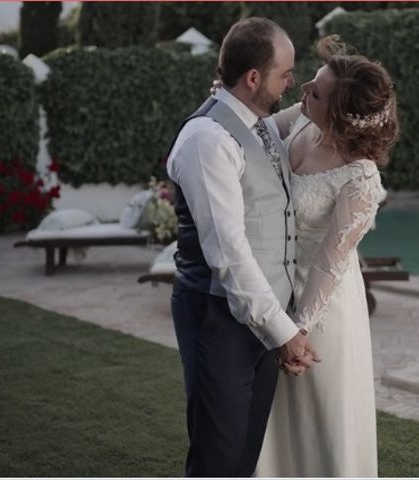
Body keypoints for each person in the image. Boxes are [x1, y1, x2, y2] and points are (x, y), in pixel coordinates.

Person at [166, 18, 319, 477]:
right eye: (285, 74)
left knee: (245, 455)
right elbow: (229, 254)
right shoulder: (207, 140)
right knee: (218, 457)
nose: (292, 82)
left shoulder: (263, 126)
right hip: (216, 317)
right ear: (253, 78)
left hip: (258, 317)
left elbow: (313, 107)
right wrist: (286, 333)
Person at [255, 35, 400, 477]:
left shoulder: (360, 180)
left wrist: (296, 332)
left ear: (338, 115)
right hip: (275, 288)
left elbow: (329, 265)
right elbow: (253, 129)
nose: (303, 91)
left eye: (315, 92)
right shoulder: (300, 121)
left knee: (320, 418)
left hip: (323, 310)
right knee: (274, 423)